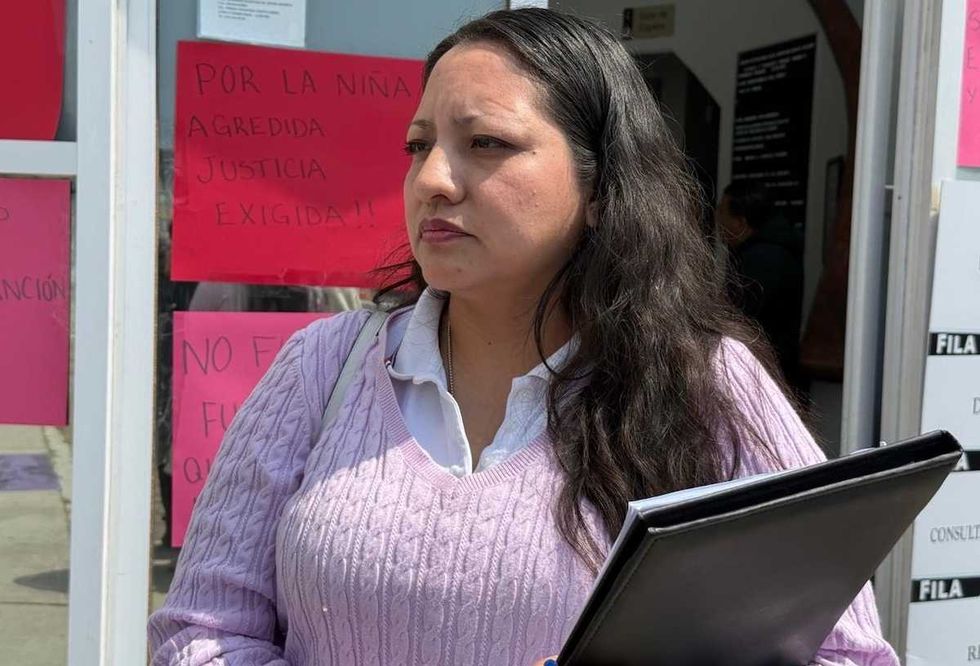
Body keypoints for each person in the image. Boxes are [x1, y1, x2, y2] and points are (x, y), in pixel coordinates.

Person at [148, 9, 898, 665]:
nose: (432, 180)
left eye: (486, 143)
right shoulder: (322, 366)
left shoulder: (702, 382)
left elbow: (844, 652)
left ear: (602, 188)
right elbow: (202, 631)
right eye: (418, 146)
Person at [716, 181, 807, 395]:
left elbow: (734, 316)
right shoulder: (769, 252)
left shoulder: (761, 260)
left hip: (762, 375)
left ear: (741, 222)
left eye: (721, 213)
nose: (717, 221)